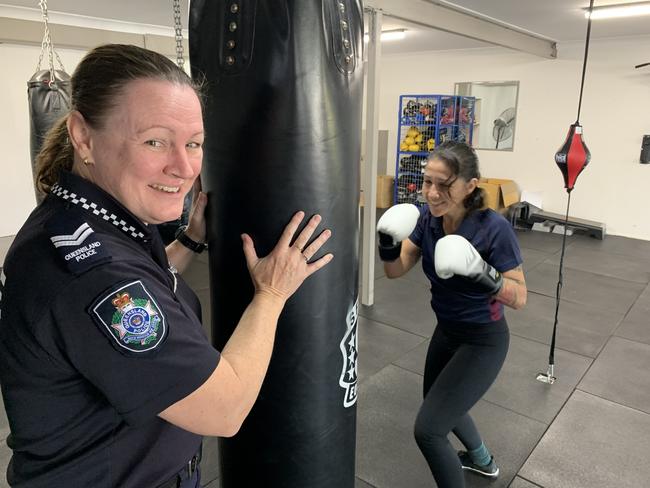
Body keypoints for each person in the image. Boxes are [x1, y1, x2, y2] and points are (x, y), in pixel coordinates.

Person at [0, 44, 333, 488]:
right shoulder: (94, 276)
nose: (184, 168)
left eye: (193, 143)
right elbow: (225, 410)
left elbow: (146, 283)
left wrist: (191, 239)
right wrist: (271, 295)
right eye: (155, 141)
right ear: (83, 137)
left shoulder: (84, 221)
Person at [376, 141, 527, 488]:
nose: (431, 193)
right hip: (446, 332)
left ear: (470, 186)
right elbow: (395, 270)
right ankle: (483, 461)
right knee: (440, 405)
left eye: (444, 185)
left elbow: (520, 297)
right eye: (427, 182)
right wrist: (386, 243)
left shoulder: (493, 228)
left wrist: (480, 272)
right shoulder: (429, 220)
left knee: (429, 430)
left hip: (483, 340)